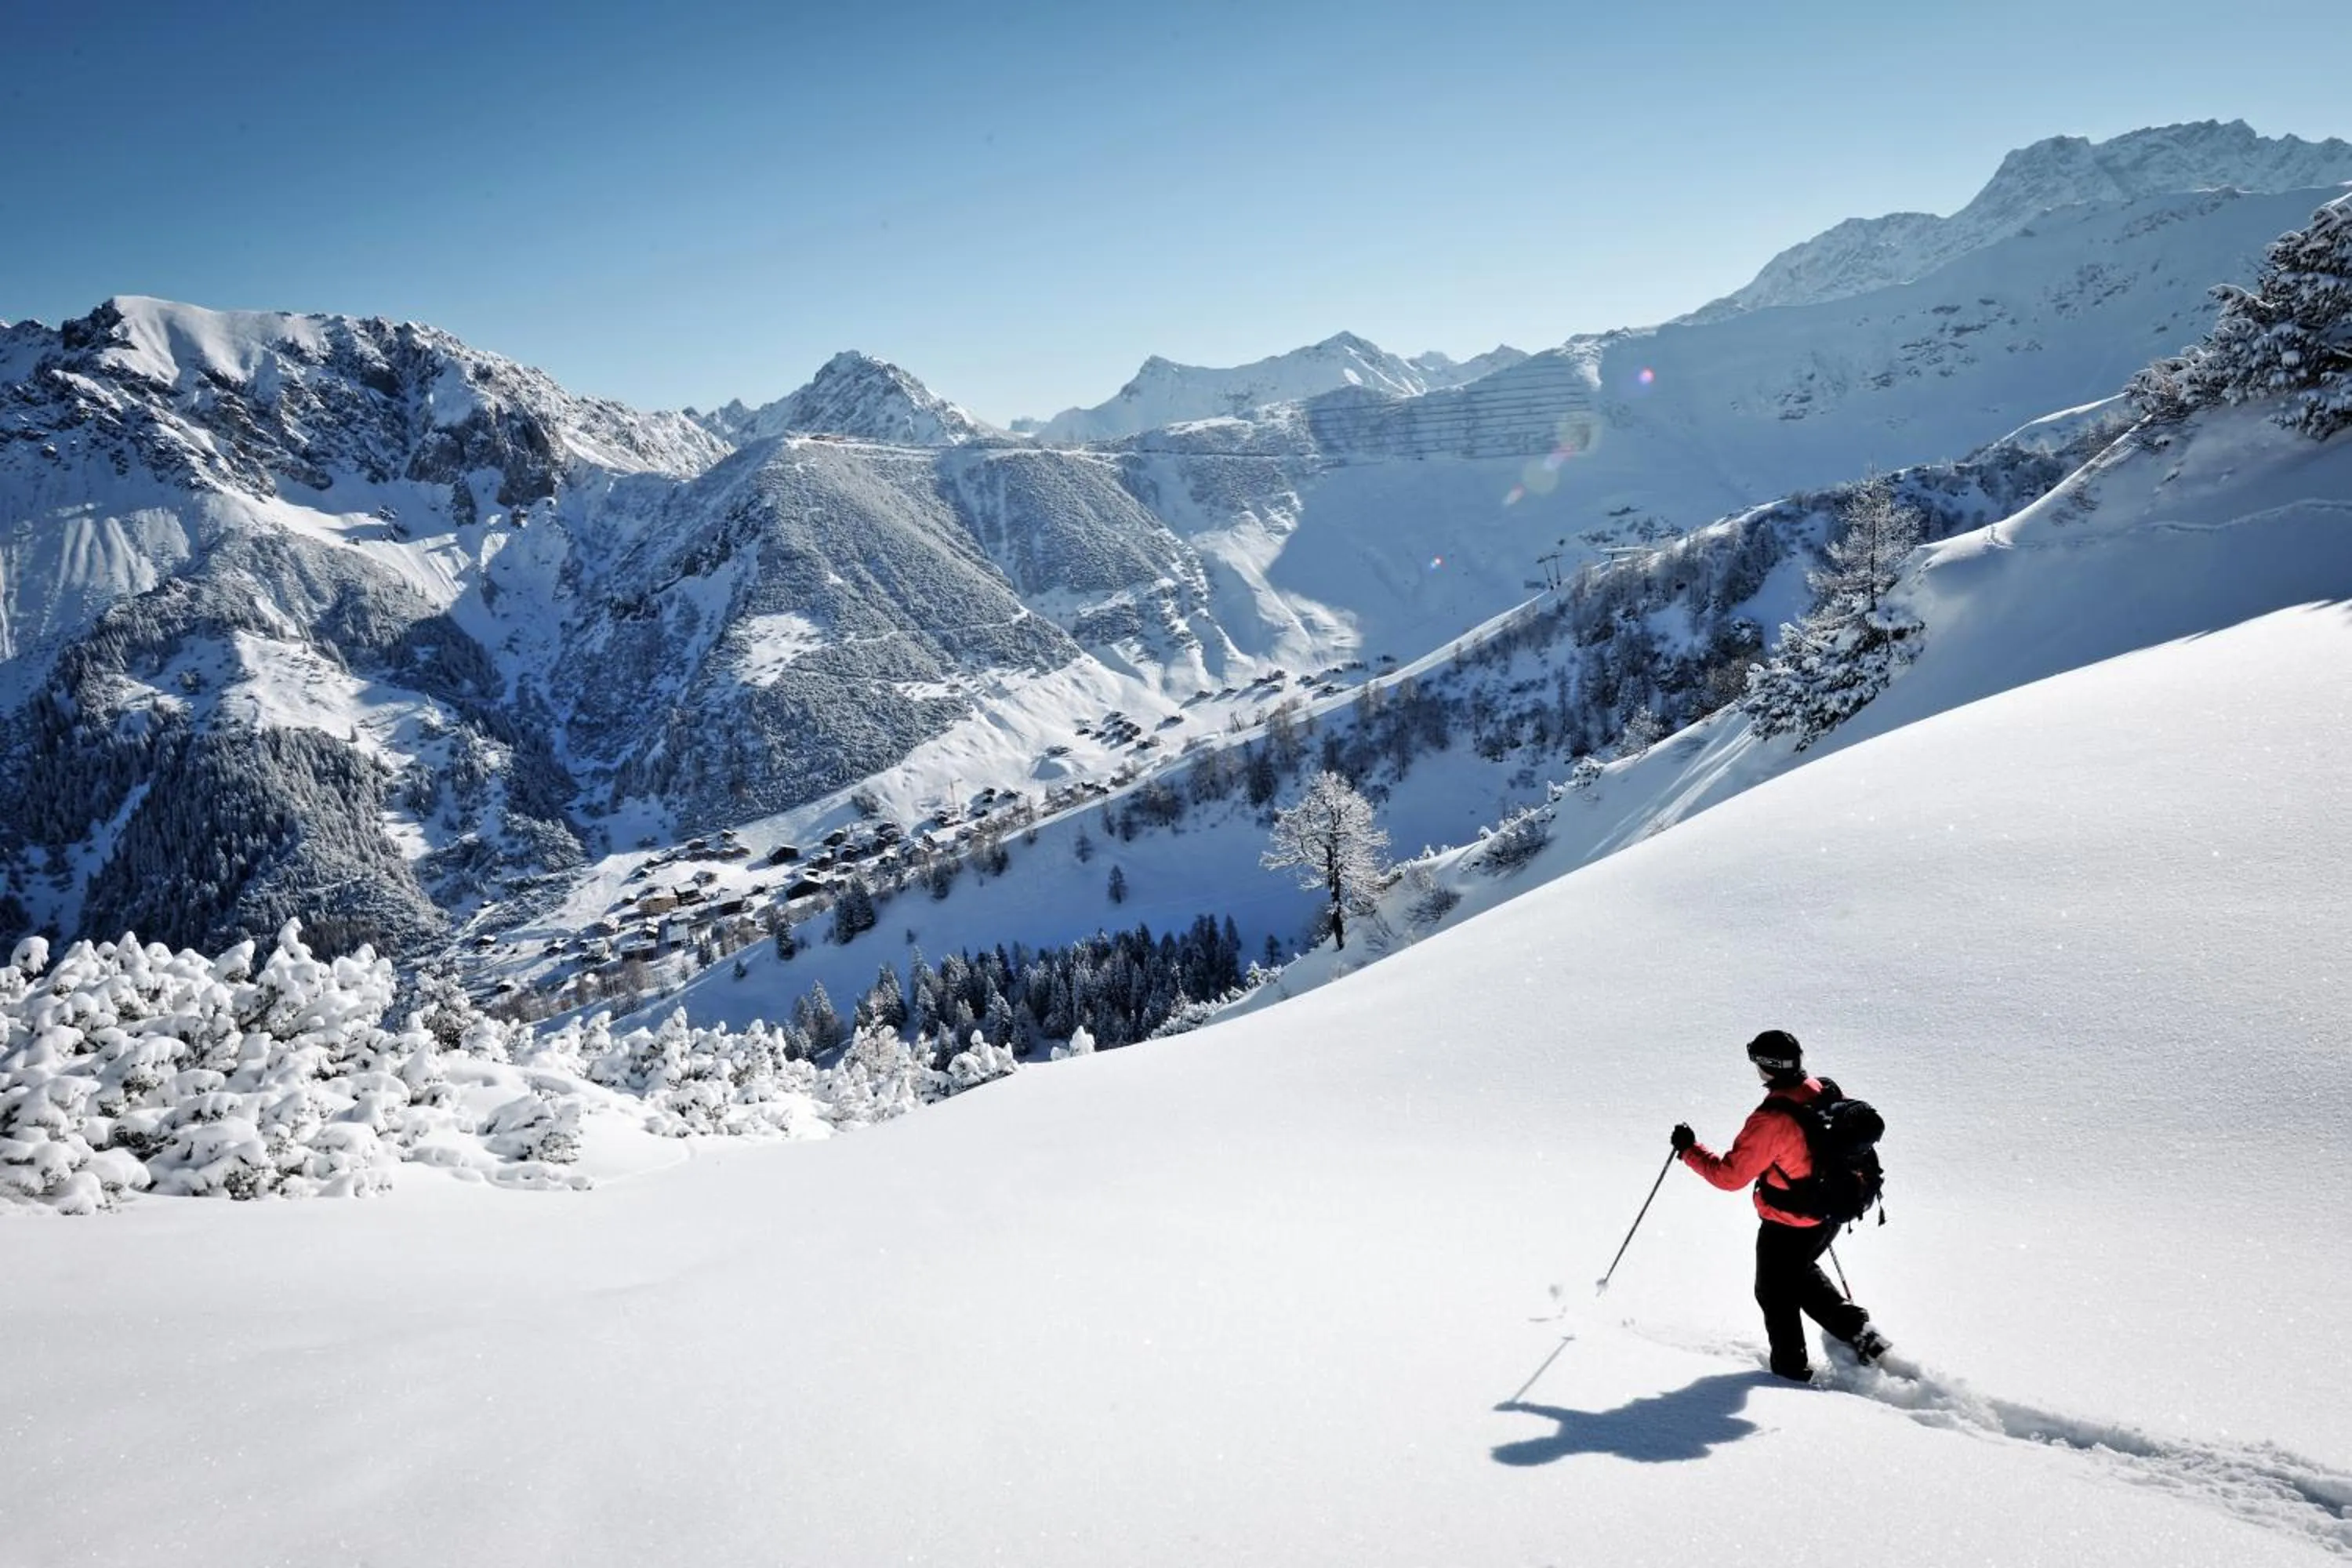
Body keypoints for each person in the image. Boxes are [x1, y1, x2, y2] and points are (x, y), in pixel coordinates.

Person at [1671, 1029, 1892, 1382]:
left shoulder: (1771, 1119)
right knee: (1798, 1275)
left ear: (1766, 1066)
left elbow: (1729, 1177)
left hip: (1788, 1223)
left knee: (1774, 1293)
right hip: (1828, 1215)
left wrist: (1689, 1150)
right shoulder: (1822, 1089)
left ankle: (1790, 1374)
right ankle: (1861, 1335)